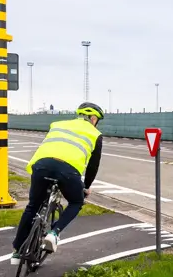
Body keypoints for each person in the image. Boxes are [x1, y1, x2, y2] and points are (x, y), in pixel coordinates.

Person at [10, 102, 105, 265]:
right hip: (68, 171)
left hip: (41, 166)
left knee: (33, 206)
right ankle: (54, 233)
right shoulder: (95, 134)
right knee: (76, 202)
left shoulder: (57, 124)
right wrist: (86, 187)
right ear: (93, 118)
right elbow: (93, 166)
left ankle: (17, 252)